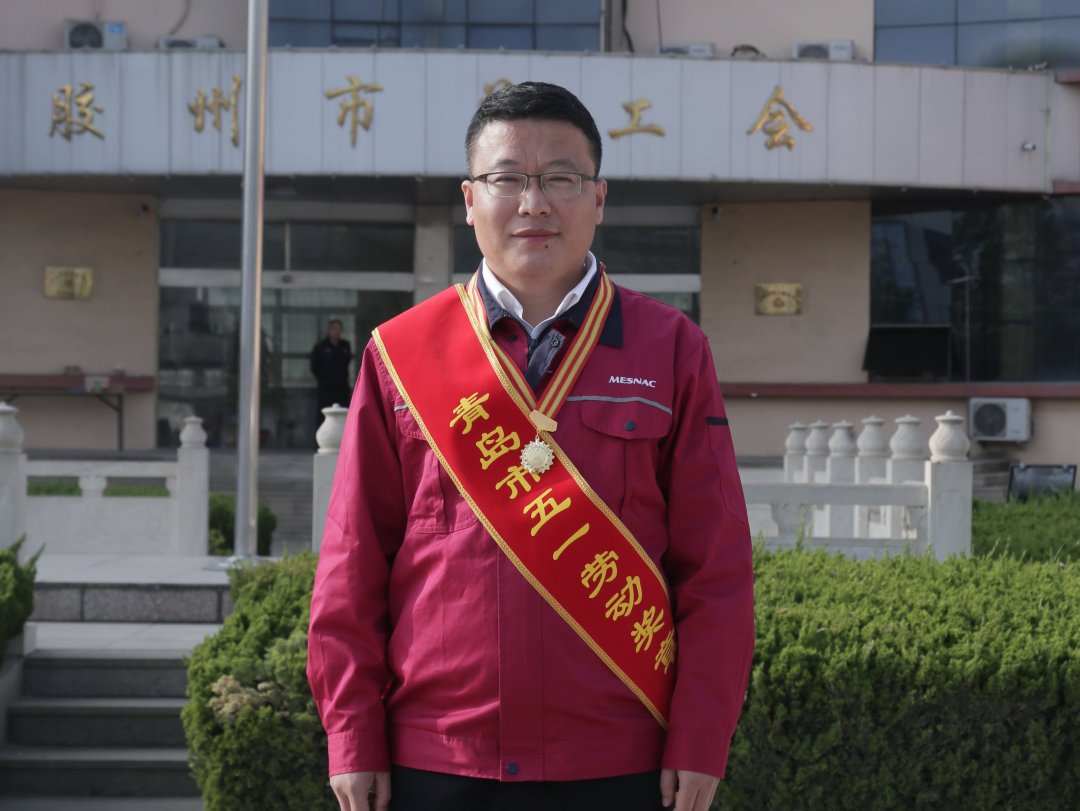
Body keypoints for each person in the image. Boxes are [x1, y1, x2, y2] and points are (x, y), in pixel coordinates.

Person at [307, 82, 755, 811]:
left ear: (599, 198)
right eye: (507, 178)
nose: (534, 203)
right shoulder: (401, 353)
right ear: (469, 199)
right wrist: (352, 735)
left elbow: (717, 566)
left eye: (561, 179)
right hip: (438, 757)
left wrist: (701, 737)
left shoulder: (671, 348)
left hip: (621, 757)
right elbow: (352, 561)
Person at [310, 319, 353, 421]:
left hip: (342, 387)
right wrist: (324, 379)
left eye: (339, 329)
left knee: (344, 414)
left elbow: (346, 362)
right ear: (329, 330)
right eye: (334, 329)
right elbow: (315, 367)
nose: (336, 332)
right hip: (326, 389)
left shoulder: (345, 345)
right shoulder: (320, 347)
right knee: (324, 415)